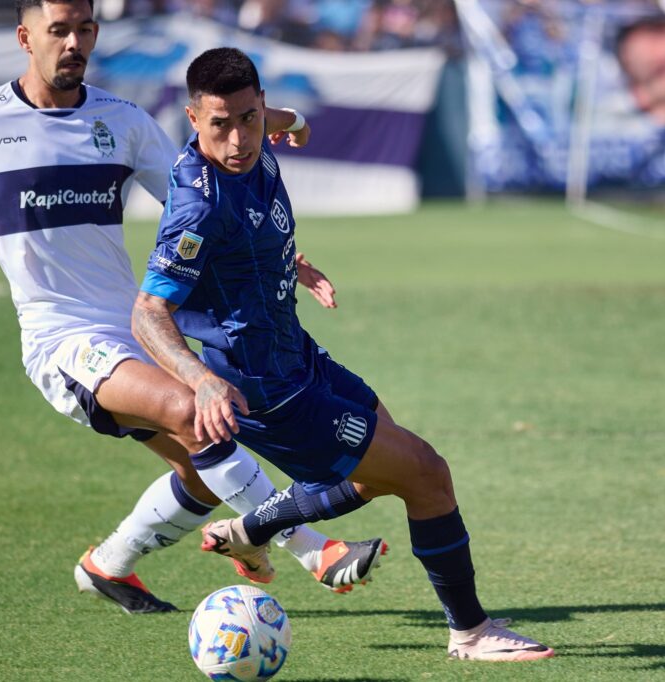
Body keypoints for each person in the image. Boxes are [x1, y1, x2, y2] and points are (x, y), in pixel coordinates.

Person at [0, 0, 386, 615]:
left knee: (208, 471)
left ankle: (108, 566)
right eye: (58, 30)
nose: (74, 42)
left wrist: (290, 250)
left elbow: (206, 172)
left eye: (84, 29)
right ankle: (314, 549)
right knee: (195, 410)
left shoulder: (120, 121)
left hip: (136, 328)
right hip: (61, 339)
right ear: (25, 36)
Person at [132, 46, 554, 661]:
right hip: (264, 391)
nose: (238, 139)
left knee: (381, 451)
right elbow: (148, 312)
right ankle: (470, 631)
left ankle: (250, 530)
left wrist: (288, 248)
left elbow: (277, 128)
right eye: (218, 124)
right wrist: (199, 380)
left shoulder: (255, 137)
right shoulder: (198, 207)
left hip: (296, 352)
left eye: (248, 118)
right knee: (426, 474)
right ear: (193, 119)